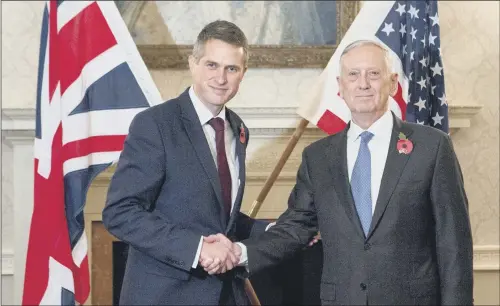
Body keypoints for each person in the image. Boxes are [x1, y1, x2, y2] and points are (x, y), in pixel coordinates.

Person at [205, 39, 474, 305]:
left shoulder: (432, 147)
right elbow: (294, 229)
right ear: (340, 87)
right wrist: (239, 252)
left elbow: (454, 243)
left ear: (393, 83)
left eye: (374, 74)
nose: (363, 84)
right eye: (353, 75)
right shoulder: (318, 157)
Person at [102, 20, 270, 305]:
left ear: (243, 73)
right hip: (164, 296)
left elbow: (214, 215)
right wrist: (197, 249)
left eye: (232, 68)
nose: (221, 78)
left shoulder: (237, 129)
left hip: (224, 294)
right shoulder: (155, 124)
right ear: (193, 64)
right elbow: (120, 212)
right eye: (211, 65)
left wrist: (268, 230)